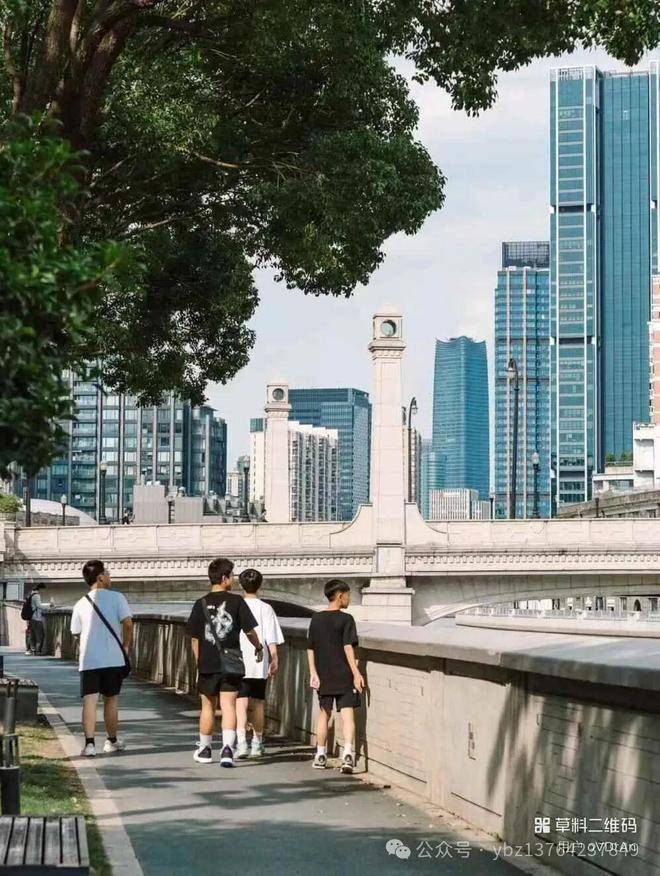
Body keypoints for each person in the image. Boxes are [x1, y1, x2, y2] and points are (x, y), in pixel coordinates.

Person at [186, 557, 263, 767]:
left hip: (208, 663)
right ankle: (228, 749)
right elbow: (249, 631)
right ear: (224, 578)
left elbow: (194, 638)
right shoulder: (237, 602)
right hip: (231, 662)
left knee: (208, 706)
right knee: (229, 705)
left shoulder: (200, 604)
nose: (234, 579)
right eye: (231, 575)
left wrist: (199, 660)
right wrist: (258, 646)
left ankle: (205, 749)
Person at [70, 560, 133, 757]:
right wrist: (125, 646)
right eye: (107, 573)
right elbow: (128, 624)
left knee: (89, 701)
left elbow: (75, 632)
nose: (109, 576)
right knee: (111, 700)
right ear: (100, 577)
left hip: (89, 660)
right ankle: (111, 741)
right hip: (113, 658)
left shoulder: (80, 604)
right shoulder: (117, 597)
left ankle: (89, 745)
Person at [307, 579, 364, 774]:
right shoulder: (347, 620)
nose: (349, 599)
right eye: (348, 595)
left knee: (324, 714)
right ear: (340, 596)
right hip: (344, 674)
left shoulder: (316, 619)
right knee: (347, 715)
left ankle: (320, 754)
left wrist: (313, 672)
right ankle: (347, 754)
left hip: (324, 675)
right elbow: (348, 647)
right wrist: (356, 673)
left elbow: (310, 648)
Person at [236, 568, 284, 758]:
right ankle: (257, 742)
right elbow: (271, 637)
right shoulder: (266, 608)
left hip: (238, 659)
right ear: (260, 585)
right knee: (258, 702)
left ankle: (241, 742)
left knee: (240, 701)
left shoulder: (236, 606)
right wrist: (274, 657)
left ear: (241, 585)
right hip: (260, 660)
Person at [25, 583, 48, 655]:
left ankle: (32, 649)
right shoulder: (36, 596)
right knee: (40, 635)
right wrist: (49, 606)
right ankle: (37, 650)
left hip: (31, 618)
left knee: (32, 635)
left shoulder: (31, 595)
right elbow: (39, 606)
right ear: (40, 589)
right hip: (36, 618)